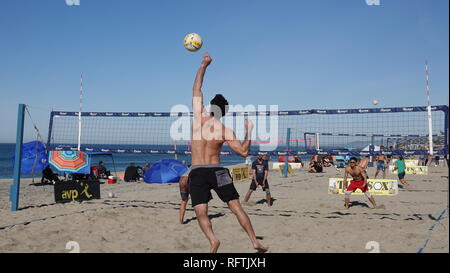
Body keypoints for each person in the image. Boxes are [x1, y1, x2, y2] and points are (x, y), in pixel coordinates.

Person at [187, 52, 267, 253]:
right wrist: (249, 130)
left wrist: (204, 65)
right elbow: (243, 152)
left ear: (210, 106)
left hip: (197, 171)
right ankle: (254, 241)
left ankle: (213, 240)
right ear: (225, 111)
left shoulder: (198, 118)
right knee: (236, 207)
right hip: (218, 172)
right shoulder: (225, 131)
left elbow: (196, 88)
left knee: (201, 211)